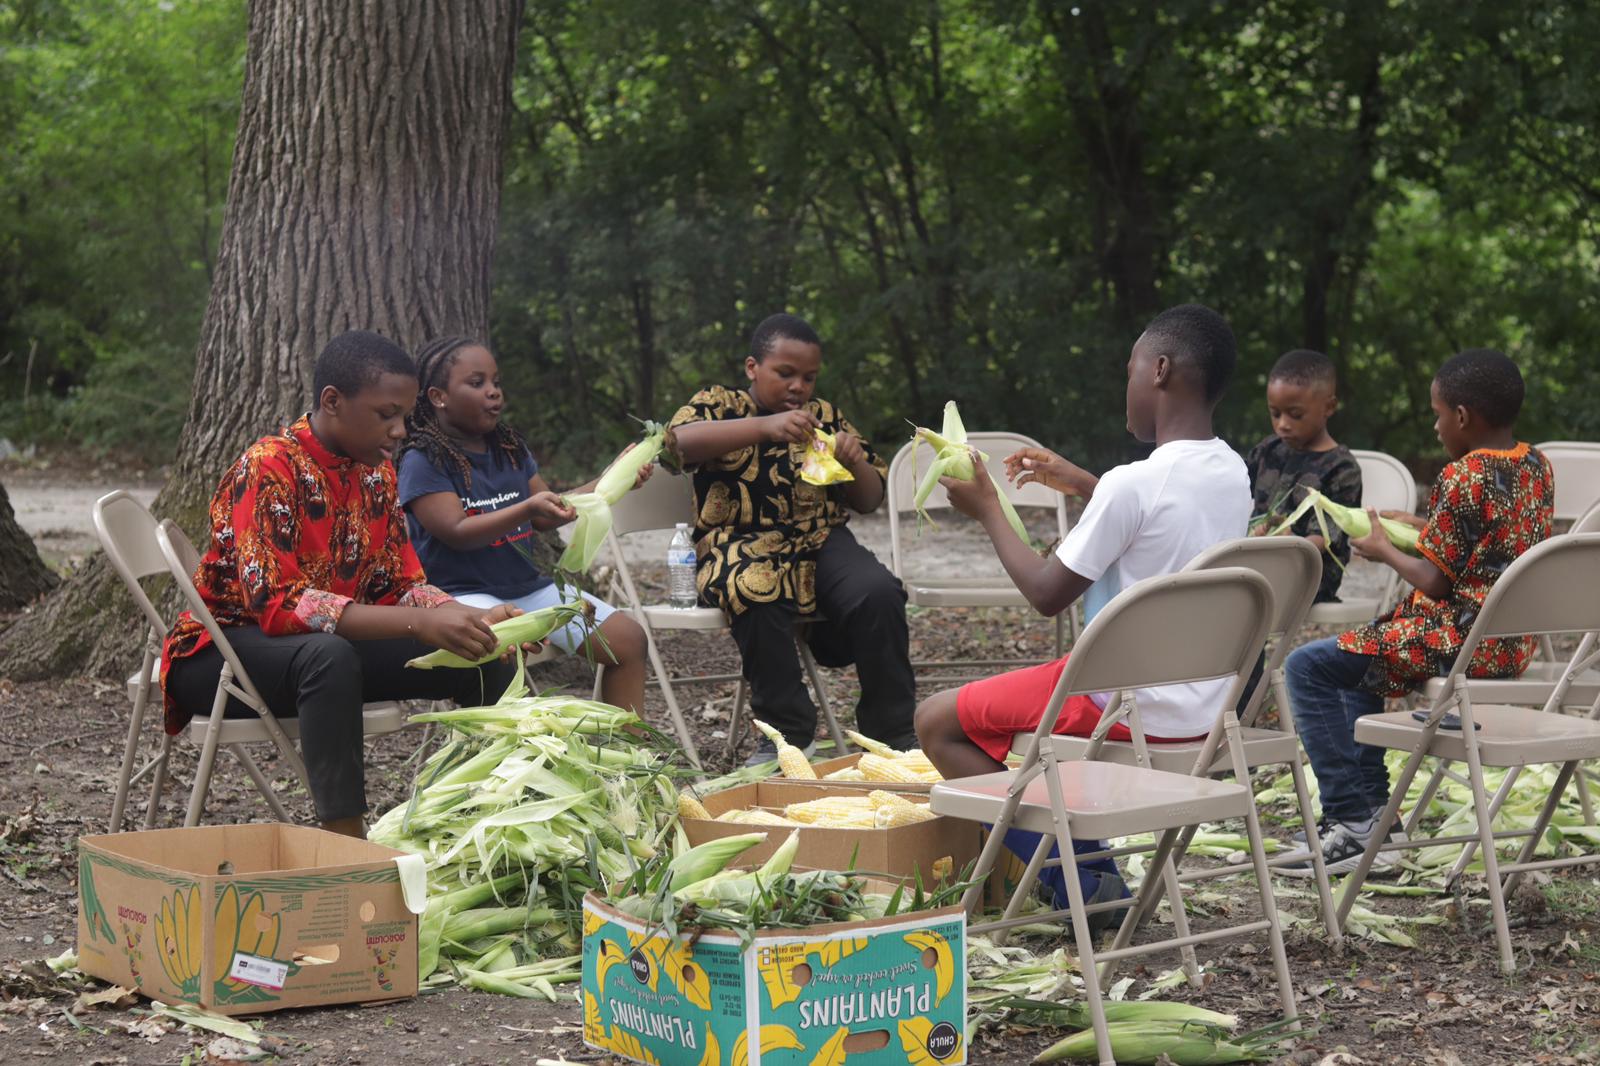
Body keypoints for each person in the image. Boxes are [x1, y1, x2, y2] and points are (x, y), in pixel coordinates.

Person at [914, 303, 1251, 917]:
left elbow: (1046, 594)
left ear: (1159, 370)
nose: (1127, 383)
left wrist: (987, 509)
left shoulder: (1133, 483)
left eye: (1130, 369)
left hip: (1124, 705)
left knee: (937, 721)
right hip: (1207, 709)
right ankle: (1089, 873)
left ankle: (1084, 880)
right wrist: (1087, 485)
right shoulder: (1232, 471)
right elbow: (1165, 522)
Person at [162, 330, 525, 838]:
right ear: (332, 401)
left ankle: (495, 820)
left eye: (405, 416)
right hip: (218, 656)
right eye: (386, 414)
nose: (400, 431)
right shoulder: (269, 466)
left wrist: (472, 618)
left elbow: (398, 584)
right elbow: (277, 606)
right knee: (328, 656)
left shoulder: (376, 472)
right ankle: (346, 847)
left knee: (488, 653)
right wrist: (419, 623)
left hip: (318, 655)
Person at [1283, 348, 1553, 876]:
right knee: (1360, 657)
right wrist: (1423, 527)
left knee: (1307, 667)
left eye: (1437, 414)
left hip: (1459, 641)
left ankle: (1353, 818)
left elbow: (1436, 581)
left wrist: (1384, 549)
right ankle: (1376, 818)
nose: (1434, 426)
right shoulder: (1535, 464)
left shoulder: (1462, 475)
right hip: (1508, 643)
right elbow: (1493, 545)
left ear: (1462, 416)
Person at [666, 313, 917, 762]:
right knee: (754, 586)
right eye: (785, 373)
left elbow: (869, 499)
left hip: (820, 542)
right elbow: (677, 444)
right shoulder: (719, 404)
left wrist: (855, 463)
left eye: (809, 377)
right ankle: (787, 737)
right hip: (737, 542)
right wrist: (764, 428)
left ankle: (893, 734)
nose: (798, 386)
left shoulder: (824, 417)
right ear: (752, 367)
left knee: (878, 592)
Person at [397, 336, 651, 712]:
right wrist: (524, 509)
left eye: (496, 382)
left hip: (527, 588)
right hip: (460, 596)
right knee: (498, 654)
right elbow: (457, 531)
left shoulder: (510, 450)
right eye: (477, 383)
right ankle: (505, 748)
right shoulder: (422, 461)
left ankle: (629, 744)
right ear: (438, 397)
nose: (493, 392)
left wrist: (615, 478)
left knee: (628, 640)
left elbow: (549, 512)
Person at [1246, 348, 1362, 604]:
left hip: (1310, 573)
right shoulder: (1269, 450)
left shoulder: (1342, 469)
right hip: (1260, 561)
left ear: (1329, 407)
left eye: (1295, 415)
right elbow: (1234, 493)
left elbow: (1325, 538)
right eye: (1275, 413)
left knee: (1240, 593)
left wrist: (1288, 544)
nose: (1282, 424)